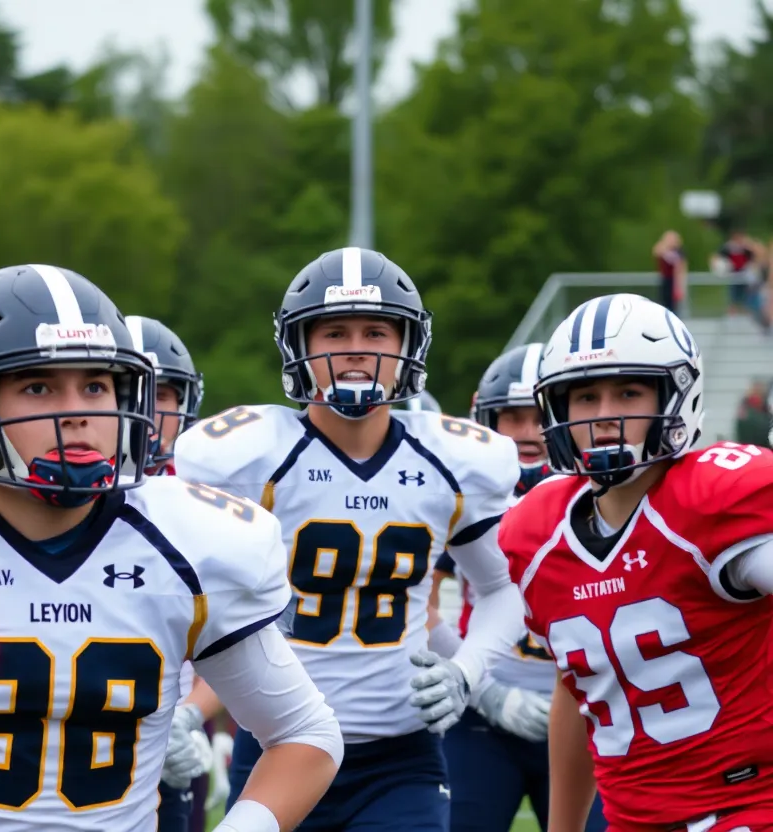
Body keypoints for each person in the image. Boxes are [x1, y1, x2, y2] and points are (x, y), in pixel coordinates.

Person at [0, 264, 343, 832]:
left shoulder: (188, 540)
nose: (78, 411)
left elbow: (305, 734)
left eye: (96, 385)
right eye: (37, 386)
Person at [175, 247, 525, 831]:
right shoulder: (246, 455)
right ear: (300, 347)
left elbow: (504, 588)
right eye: (334, 331)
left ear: (407, 346)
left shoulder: (452, 458)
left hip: (401, 758)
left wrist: (466, 670)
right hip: (275, 747)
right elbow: (187, 605)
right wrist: (179, 713)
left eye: (376, 330)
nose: (357, 347)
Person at [500, 293, 773, 832]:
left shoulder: (715, 495)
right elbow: (578, 687)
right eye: (585, 397)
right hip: (632, 820)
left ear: (675, 395)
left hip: (750, 808)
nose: (606, 417)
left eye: (628, 391)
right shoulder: (535, 531)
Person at [429, 342, 607, 832]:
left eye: (539, 416)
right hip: (482, 721)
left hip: (591, 713)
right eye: (511, 417)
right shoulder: (465, 496)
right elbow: (415, 604)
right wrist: (482, 689)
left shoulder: (607, 495)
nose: (528, 433)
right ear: (486, 419)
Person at [126, 314, 211, 832]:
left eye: (166, 394)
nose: (150, 412)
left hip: (171, 738)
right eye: (133, 390)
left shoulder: (210, 505)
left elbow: (241, 647)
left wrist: (189, 717)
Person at [126, 315, 204, 478]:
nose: (143, 410)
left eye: (158, 396)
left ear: (184, 406)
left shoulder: (206, 480)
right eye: (128, 393)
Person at [653, 230, 687, 314]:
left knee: (674, 306)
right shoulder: (663, 250)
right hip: (665, 279)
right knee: (664, 303)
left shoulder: (679, 252)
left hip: (675, 280)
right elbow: (656, 252)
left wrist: (681, 285)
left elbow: (682, 268)